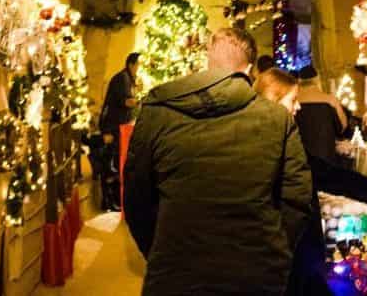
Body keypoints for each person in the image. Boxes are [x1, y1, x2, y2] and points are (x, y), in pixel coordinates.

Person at [124, 27, 313, 296]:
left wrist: (162, 250)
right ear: (248, 69)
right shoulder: (277, 119)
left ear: (208, 62)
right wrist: (273, 252)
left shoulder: (158, 113)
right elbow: (297, 198)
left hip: (176, 273)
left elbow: (136, 198)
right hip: (255, 275)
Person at [254, 68, 367, 296]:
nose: (298, 107)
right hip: (288, 261)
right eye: (293, 100)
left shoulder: (275, 142)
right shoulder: (274, 149)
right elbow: (330, 175)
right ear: (274, 102)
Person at [98, 52, 140, 210]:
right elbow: (127, 102)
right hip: (112, 126)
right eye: (137, 65)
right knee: (112, 165)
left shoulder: (127, 78)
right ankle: (110, 202)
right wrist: (140, 100)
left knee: (114, 164)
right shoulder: (123, 79)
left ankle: (113, 201)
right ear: (131, 64)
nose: (138, 68)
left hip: (116, 125)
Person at [295, 63, 347, 161]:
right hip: (326, 158)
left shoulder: (293, 103)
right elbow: (342, 127)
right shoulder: (330, 100)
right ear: (317, 80)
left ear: (299, 81)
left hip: (301, 159)